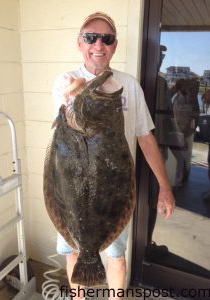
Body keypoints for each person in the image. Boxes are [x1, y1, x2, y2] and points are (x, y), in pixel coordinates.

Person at [52, 12, 175, 300]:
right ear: (80, 43)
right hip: (71, 188)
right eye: (90, 37)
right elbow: (61, 130)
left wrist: (165, 187)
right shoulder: (66, 81)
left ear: (115, 45)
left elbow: (145, 137)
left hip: (112, 190)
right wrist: (71, 97)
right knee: (74, 254)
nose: (98, 44)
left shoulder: (129, 85)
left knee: (116, 258)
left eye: (106, 39)